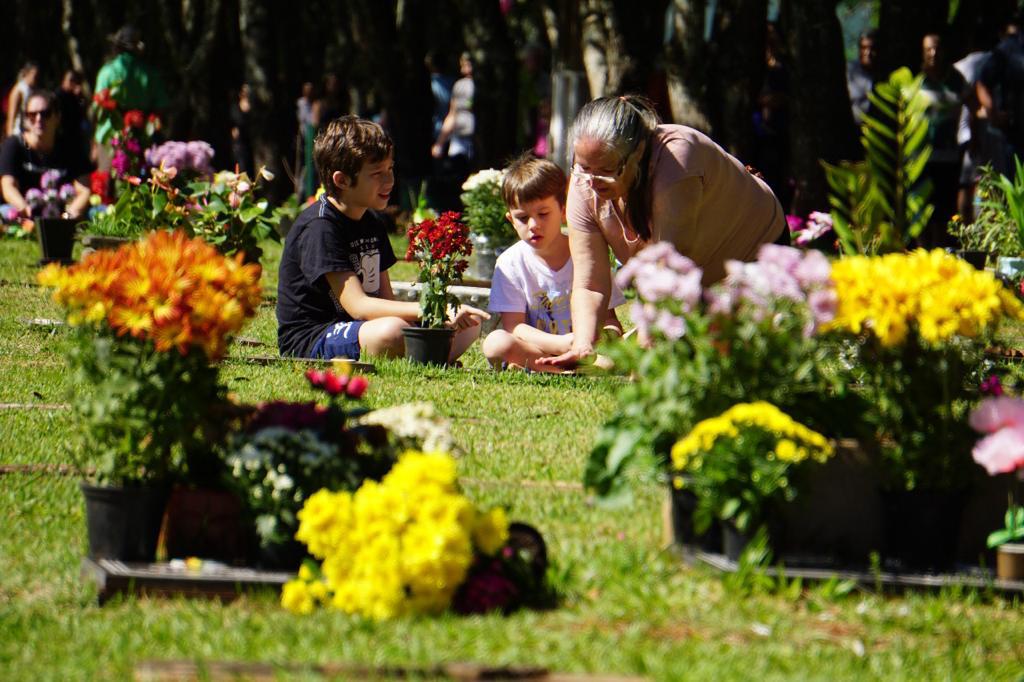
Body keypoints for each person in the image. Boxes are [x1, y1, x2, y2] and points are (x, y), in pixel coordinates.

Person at [537, 95, 785, 369]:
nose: (593, 182)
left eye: (607, 169)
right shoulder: (584, 184)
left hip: (756, 255)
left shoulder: (677, 162)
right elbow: (589, 283)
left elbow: (668, 270)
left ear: (639, 152)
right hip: (697, 279)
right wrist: (583, 344)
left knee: (739, 360)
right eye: (583, 167)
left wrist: (648, 345)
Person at [277, 116, 488, 361]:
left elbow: (385, 299)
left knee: (470, 325)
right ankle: (429, 354)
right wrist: (434, 310)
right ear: (342, 180)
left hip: (362, 328)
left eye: (390, 169)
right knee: (392, 331)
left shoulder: (371, 222)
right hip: (314, 336)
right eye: (377, 173)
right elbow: (360, 306)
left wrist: (436, 319)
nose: (389, 180)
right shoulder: (320, 227)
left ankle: (426, 355)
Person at [482, 153, 623, 372]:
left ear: (564, 211)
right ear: (510, 219)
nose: (533, 225)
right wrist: (562, 344)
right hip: (540, 350)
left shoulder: (587, 254)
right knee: (496, 343)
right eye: (522, 217)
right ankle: (568, 369)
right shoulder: (510, 263)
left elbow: (609, 319)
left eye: (543, 213)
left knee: (628, 345)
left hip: (588, 351)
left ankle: (573, 367)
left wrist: (607, 336)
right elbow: (514, 327)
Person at [0, 90, 92, 219]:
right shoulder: (13, 145)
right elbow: (8, 187)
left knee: (99, 212)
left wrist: (69, 215)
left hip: (63, 213)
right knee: (5, 212)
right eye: (32, 115)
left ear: (57, 117)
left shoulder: (71, 147)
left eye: (45, 114)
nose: (39, 119)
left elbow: (84, 190)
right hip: (22, 212)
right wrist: (24, 210)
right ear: (26, 119)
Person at [918, 33, 968, 246]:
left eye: (937, 48)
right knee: (921, 206)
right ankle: (921, 252)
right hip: (921, 157)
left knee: (943, 206)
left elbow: (972, 104)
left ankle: (939, 249)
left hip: (948, 155)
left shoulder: (955, 79)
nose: (933, 54)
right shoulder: (918, 80)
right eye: (929, 49)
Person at [93, 25, 169, 147]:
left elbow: (97, 108)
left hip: (110, 139)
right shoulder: (150, 74)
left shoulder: (107, 72)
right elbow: (161, 107)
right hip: (142, 139)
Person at [431, 52, 475, 211]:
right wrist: (440, 142)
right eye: (464, 64)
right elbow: (452, 114)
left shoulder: (484, 84)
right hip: (460, 139)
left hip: (476, 140)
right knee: (457, 177)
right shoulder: (459, 85)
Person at [56, 69, 90, 163]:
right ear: (64, 80)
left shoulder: (74, 96)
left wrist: (79, 98)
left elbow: (83, 112)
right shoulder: (59, 95)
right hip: (64, 136)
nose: (72, 83)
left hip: (76, 134)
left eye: (74, 81)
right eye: (70, 80)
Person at [847, 30, 880, 126]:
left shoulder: (884, 73)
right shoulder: (849, 71)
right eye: (864, 48)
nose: (867, 53)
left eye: (872, 48)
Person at [5, 62, 39, 138]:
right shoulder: (18, 90)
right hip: (18, 132)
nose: (36, 78)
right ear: (27, 73)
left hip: (29, 132)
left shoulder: (32, 90)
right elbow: (11, 115)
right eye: (35, 75)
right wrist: (10, 137)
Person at [230, 83, 254, 176]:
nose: (246, 94)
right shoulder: (235, 107)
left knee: (249, 166)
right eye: (244, 92)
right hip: (239, 141)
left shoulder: (253, 107)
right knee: (240, 165)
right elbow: (235, 122)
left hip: (249, 140)